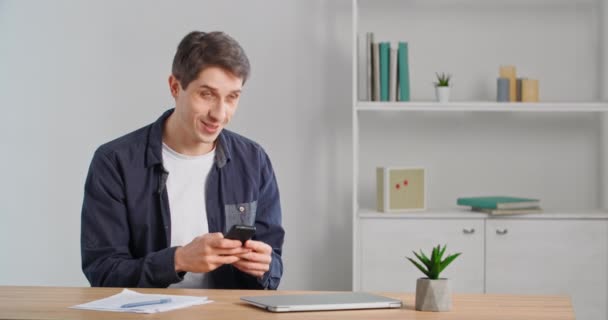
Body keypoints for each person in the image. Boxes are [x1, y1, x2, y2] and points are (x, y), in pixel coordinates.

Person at [80, 31, 284, 289]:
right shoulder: (114, 162)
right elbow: (103, 271)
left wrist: (264, 266)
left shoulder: (253, 161)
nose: (219, 114)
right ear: (175, 87)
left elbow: (274, 263)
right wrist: (178, 260)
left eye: (232, 97)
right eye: (207, 94)